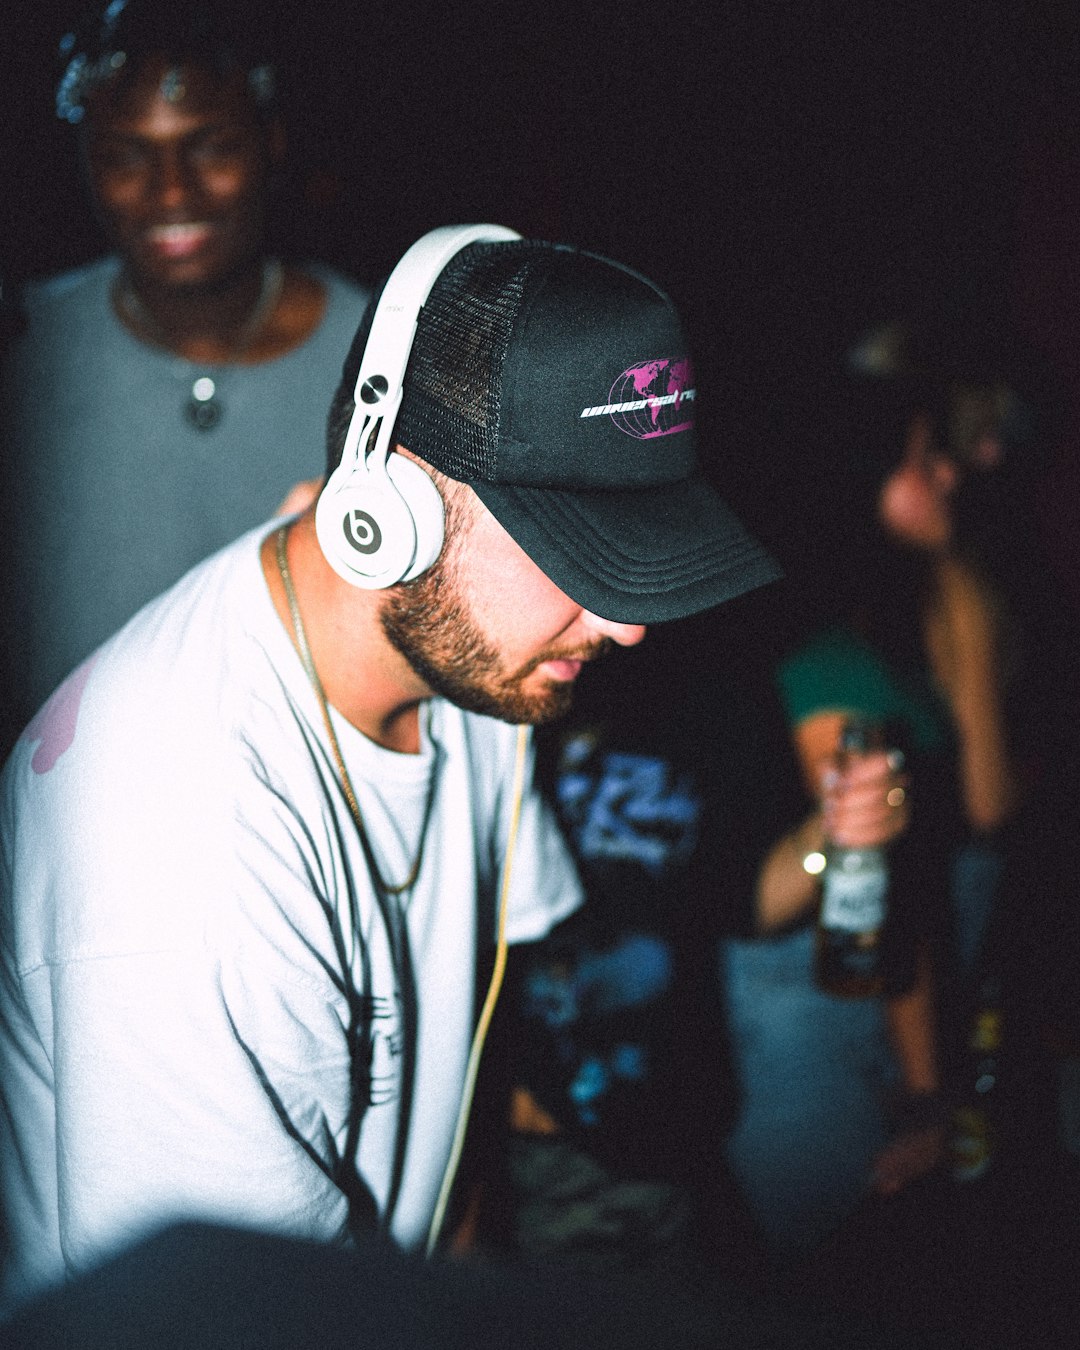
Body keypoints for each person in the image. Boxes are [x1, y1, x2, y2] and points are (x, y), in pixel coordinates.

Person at [0, 227, 780, 1314]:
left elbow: (457, 1068)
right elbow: (229, 1321)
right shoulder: (180, 864)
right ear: (387, 511)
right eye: (575, 551)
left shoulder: (481, 666)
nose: (623, 623)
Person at [0, 0, 368, 747]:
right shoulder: (24, 348)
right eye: (126, 156)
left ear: (271, 143)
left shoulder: (385, 356)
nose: (171, 192)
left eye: (212, 146)